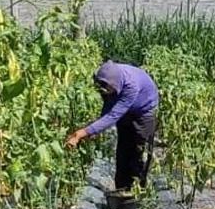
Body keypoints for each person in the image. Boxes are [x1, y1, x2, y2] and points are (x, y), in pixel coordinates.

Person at [66, 60, 159, 191]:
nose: (105, 91)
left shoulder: (130, 85)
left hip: (144, 110)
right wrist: (95, 130)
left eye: (108, 89)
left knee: (139, 149)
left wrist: (83, 133)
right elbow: (108, 106)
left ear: (116, 84)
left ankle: (138, 189)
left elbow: (113, 115)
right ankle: (121, 189)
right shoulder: (104, 81)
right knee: (123, 148)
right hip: (125, 109)